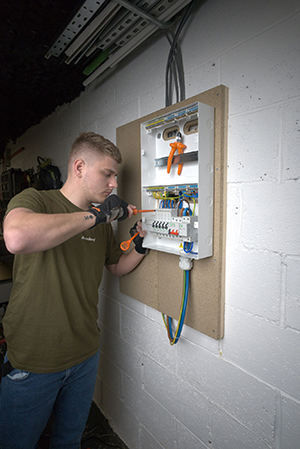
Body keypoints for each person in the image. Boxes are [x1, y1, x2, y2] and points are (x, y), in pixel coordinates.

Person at [0, 132, 147, 449]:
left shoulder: (102, 226)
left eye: (115, 177)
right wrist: (96, 216)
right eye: (107, 174)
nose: (114, 185)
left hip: (84, 355)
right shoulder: (36, 200)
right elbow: (16, 237)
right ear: (79, 167)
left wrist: (141, 244)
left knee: (68, 442)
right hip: (33, 362)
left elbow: (117, 267)